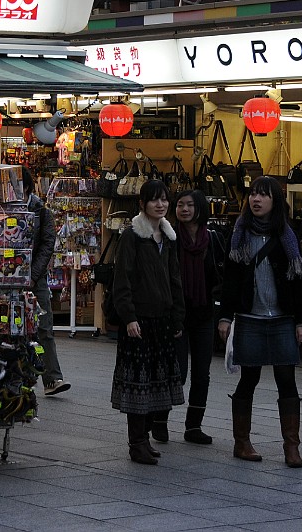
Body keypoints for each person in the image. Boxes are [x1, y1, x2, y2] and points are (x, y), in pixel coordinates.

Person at [217, 176, 302, 468]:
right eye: (253, 194)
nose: (256, 200)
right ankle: (241, 442)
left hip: (282, 318)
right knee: (249, 378)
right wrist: (225, 316)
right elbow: (230, 280)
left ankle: (291, 447)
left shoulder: (287, 236)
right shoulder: (239, 234)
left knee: (287, 380)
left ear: (275, 201)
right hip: (249, 317)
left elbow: (297, 282)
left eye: (263, 195)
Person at [111, 179, 185, 465]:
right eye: (154, 199)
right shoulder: (132, 236)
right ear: (142, 204)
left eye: (164, 199)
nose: (161, 204)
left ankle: (145, 439)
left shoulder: (168, 236)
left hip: (162, 319)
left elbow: (175, 279)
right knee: (138, 384)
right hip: (139, 320)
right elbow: (123, 280)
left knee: (156, 382)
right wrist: (129, 316)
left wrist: (178, 315)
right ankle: (137, 442)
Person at [172, 189, 226, 445]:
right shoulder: (170, 238)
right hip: (177, 314)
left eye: (189, 205)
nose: (184, 209)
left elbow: (220, 275)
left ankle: (194, 426)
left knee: (202, 373)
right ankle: (160, 420)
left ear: (199, 208)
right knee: (177, 371)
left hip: (204, 313)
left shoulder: (212, 239)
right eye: (180, 205)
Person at [22, 167, 70, 397]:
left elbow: (47, 245)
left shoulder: (41, 211)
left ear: (28, 188)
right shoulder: (2, 208)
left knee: (44, 327)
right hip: (7, 277)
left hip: (35, 279)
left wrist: (32, 275)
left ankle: (52, 378)